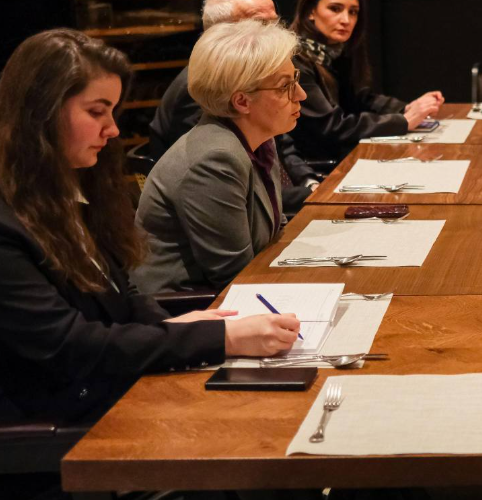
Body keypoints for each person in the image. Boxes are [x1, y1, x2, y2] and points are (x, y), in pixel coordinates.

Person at [0, 29, 299, 426]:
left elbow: (122, 289)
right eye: (96, 112)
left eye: (113, 112)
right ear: (42, 112)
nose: (113, 130)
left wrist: (165, 325)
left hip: (112, 383)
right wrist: (219, 338)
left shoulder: (71, 185)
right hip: (63, 422)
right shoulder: (8, 225)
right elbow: (71, 346)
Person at [132, 20, 305, 295]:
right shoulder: (215, 159)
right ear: (242, 101)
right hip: (188, 304)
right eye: (285, 86)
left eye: (296, 79)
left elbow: (273, 230)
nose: (301, 94)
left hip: (238, 289)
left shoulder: (259, 139)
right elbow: (233, 276)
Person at [148, 0, 322, 212]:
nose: (275, 33)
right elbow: (222, 188)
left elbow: (282, 149)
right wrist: (315, 195)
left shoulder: (263, 130)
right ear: (224, 34)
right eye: (261, 24)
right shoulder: (208, 91)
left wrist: (310, 182)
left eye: (276, 22)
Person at [289, 0, 444, 162]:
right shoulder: (295, 59)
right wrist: (402, 121)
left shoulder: (334, 52)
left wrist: (407, 108)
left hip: (344, 155)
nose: (346, 20)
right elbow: (331, 126)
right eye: (335, 9)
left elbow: (360, 99)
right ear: (310, 11)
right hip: (321, 165)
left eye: (353, 12)